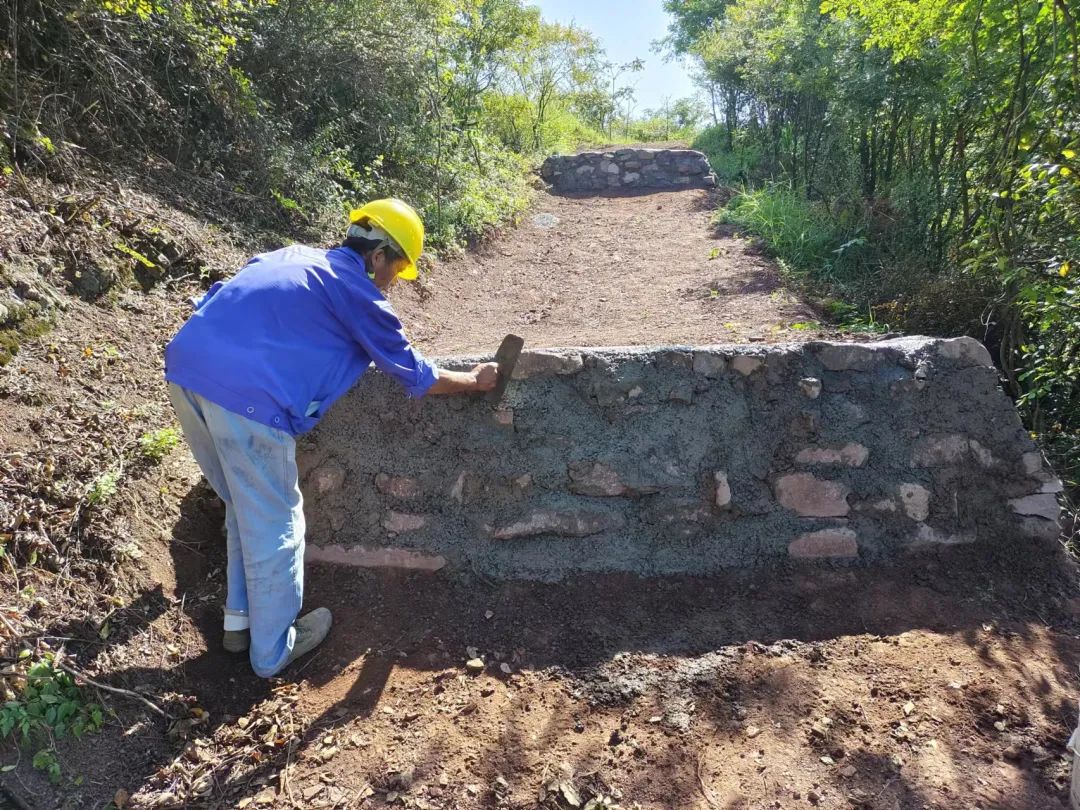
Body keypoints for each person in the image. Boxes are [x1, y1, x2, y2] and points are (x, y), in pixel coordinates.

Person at [163, 198, 497, 678]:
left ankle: (239, 626)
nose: (392, 280)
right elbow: (414, 373)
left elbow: (218, 298)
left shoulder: (288, 256)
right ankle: (273, 651)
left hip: (186, 372)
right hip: (249, 400)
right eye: (397, 266)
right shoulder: (355, 289)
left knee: (242, 504)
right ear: (378, 254)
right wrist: (475, 382)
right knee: (279, 523)